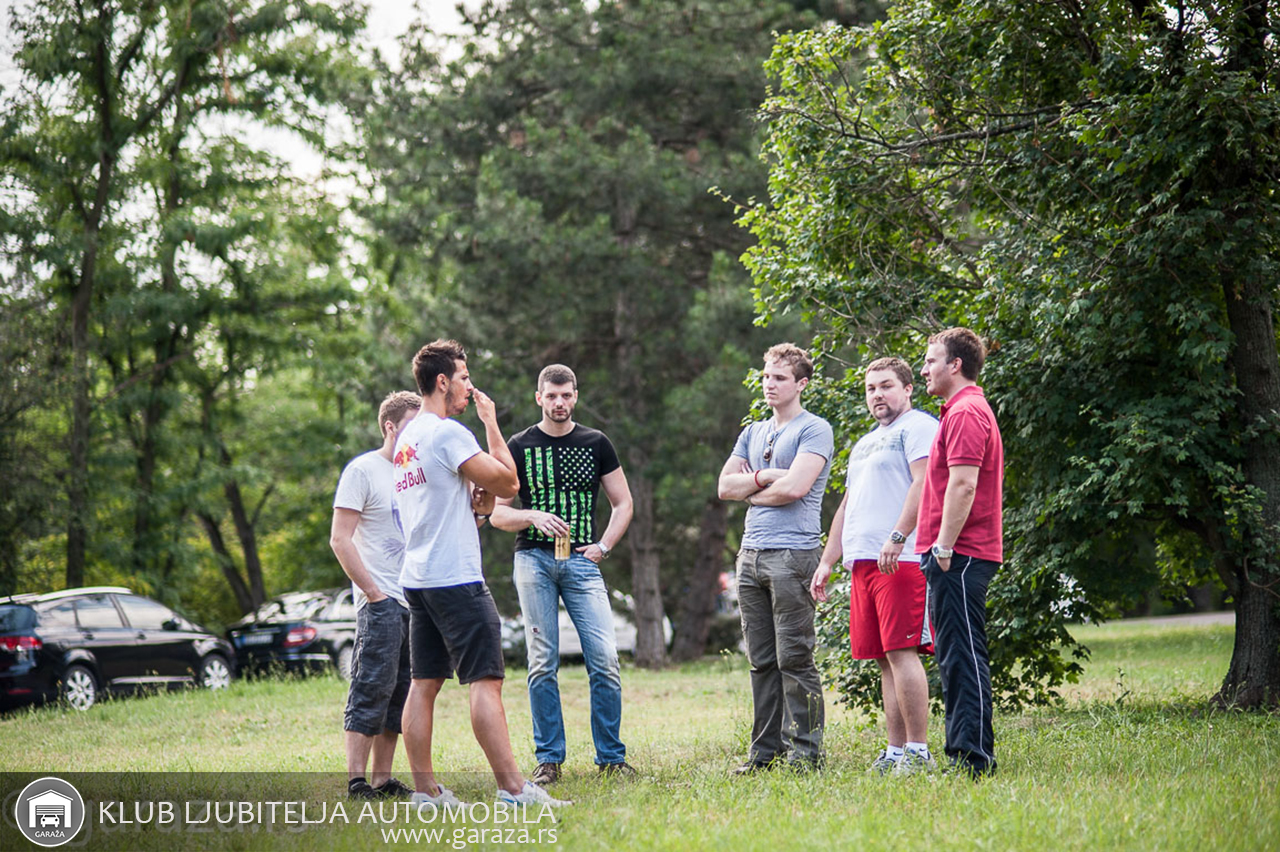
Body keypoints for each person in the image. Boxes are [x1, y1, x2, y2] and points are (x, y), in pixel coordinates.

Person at [392, 339, 568, 810]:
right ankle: (514, 789)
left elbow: (465, 505)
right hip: (455, 577)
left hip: (418, 578)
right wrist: (491, 423)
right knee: (485, 681)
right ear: (442, 382)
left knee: (424, 683)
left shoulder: (407, 439)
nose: (470, 387)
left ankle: (425, 793)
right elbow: (509, 482)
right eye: (464, 378)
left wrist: (478, 503)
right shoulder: (447, 433)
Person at [491, 364, 636, 785]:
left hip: (583, 562)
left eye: (566, 395)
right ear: (539, 397)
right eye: (552, 396)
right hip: (532, 561)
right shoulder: (520, 444)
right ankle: (549, 760)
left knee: (605, 659)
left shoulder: (596, 442)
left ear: (576, 396)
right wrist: (532, 515)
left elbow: (623, 503)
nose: (559, 402)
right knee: (542, 662)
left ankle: (611, 758)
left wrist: (604, 546)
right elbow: (497, 513)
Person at [810, 358, 939, 776]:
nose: (877, 395)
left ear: (908, 389)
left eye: (886, 386)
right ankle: (896, 751)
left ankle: (919, 751)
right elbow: (848, 505)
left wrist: (898, 537)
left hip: (901, 558)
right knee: (884, 658)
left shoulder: (918, 427)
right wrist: (828, 560)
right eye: (871, 388)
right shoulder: (865, 443)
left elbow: (924, 483)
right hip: (863, 561)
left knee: (902, 652)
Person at [717, 343, 833, 773]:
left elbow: (797, 488)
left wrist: (750, 489)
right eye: (766, 376)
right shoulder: (752, 431)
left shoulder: (814, 429)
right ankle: (765, 755)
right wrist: (765, 476)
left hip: (793, 554)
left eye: (780, 378)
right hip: (750, 555)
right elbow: (724, 487)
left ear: (801, 384)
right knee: (761, 661)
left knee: (795, 658)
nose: (769, 384)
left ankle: (806, 755)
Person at [916, 327, 1004, 777]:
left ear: (955, 365)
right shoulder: (958, 410)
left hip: (960, 553)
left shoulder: (967, 412)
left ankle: (973, 761)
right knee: (954, 656)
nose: (924, 369)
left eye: (931, 361)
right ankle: (966, 754)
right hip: (952, 552)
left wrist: (944, 546)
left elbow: (965, 484)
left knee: (963, 656)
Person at [330, 390, 422, 799]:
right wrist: (373, 593)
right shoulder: (362, 470)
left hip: (415, 599)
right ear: (389, 426)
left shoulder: (415, 472)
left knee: (401, 692)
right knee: (371, 686)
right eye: (411, 427)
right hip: (380, 601)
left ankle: (383, 779)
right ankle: (356, 782)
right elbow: (340, 539)